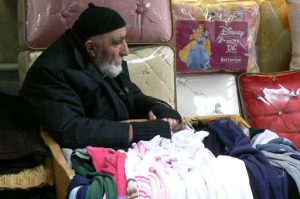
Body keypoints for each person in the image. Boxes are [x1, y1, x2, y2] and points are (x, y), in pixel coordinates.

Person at [20, 3, 184, 149]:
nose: (126, 51)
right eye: (117, 42)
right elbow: (71, 129)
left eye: (124, 40)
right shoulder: (50, 72)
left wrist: (158, 107)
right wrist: (136, 131)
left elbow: (130, 95)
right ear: (91, 47)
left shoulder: (102, 59)